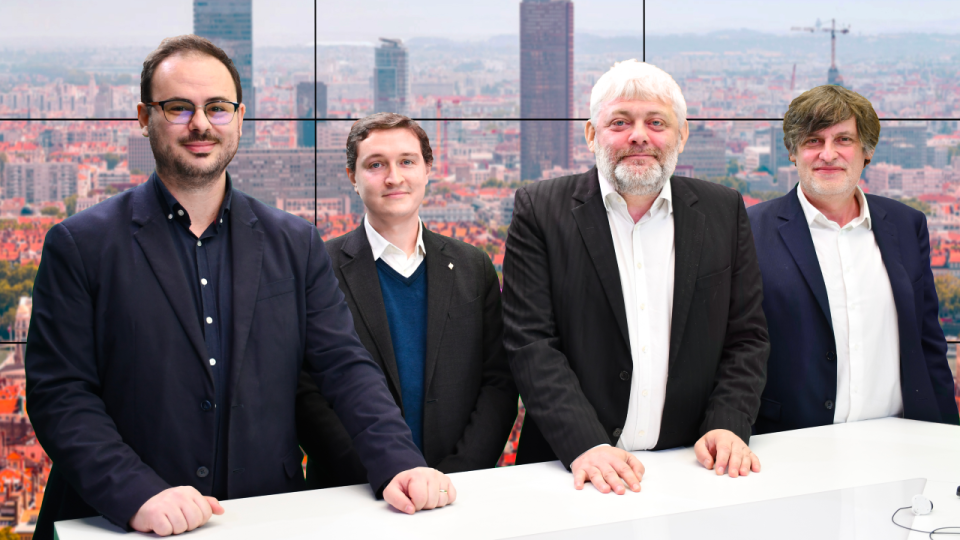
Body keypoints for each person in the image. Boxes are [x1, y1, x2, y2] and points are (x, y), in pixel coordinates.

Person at [25, 35, 454, 540]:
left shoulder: (295, 243)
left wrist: (399, 462)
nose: (201, 124)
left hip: (265, 518)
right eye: (179, 108)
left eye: (217, 107)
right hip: (121, 524)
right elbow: (60, 394)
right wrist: (136, 493)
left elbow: (344, 367)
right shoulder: (80, 244)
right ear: (144, 117)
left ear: (240, 117)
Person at [502, 59, 770, 495]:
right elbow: (530, 342)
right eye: (620, 122)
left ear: (682, 135)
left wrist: (727, 423)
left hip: (694, 466)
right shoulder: (540, 210)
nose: (639, 135)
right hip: (569, 470)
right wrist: (585, 444)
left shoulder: (724, 210)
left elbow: (747, 337)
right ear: (592, 134)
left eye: (657, 122)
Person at [295, 113, 518, 489]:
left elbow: (499, 383)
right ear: (352, 176)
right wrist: (385, 475)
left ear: (428, 169)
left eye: (407, 161)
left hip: (459, 489)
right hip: (352, 491)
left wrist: (457, 475)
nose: (394, 177)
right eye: (376, 164)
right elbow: (304, 392)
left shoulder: (473, 266)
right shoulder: (317, 268)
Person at [748, 85, 959, 433]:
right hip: (791, 440)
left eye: (843, 140)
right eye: (813, 141)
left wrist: (950, 439)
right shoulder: (749, 230)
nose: (828, 154)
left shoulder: (907, 224)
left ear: (867, 151)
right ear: (793, 152)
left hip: (900, 437)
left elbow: (928, 344)